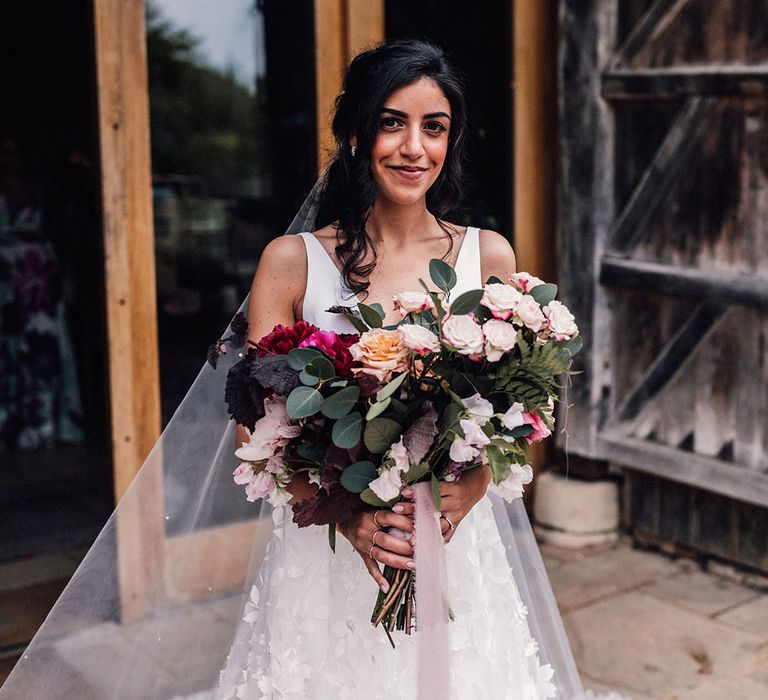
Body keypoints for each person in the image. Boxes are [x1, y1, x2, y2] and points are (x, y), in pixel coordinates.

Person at [0, 41, 619, 700]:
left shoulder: (486, 257)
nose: (414, 147)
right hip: (331, 549)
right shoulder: (292, 263)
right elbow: (255, 431)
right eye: (392, 122)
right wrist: (347, 517)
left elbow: (516, 410)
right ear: (355, 134)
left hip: (455, 542)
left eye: (433, 127)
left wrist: (469, 489)